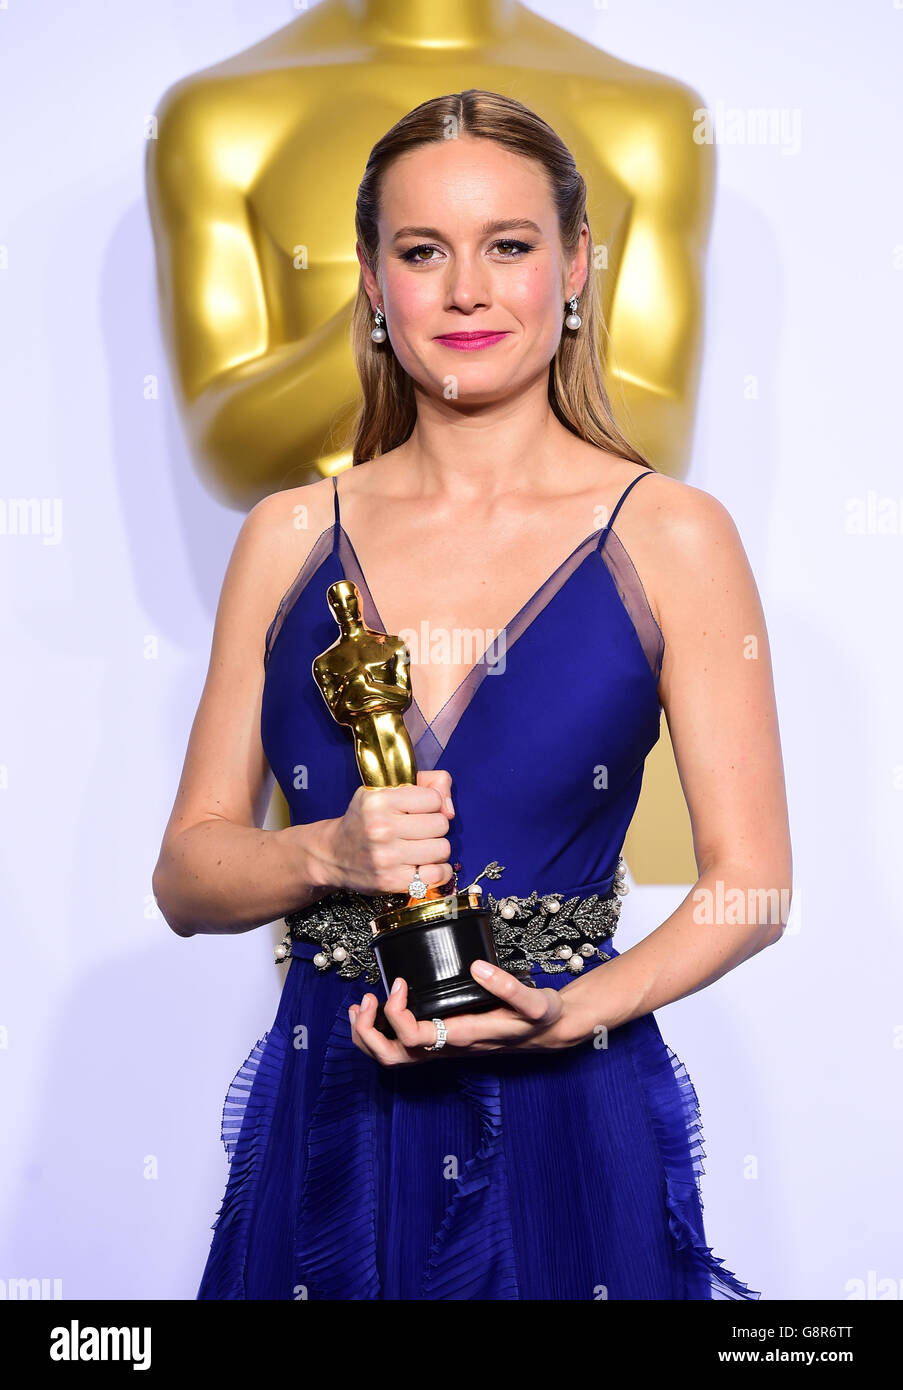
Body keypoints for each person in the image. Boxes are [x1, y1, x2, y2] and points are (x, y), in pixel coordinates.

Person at [153, 89, 791, 1300]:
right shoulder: (287, 535)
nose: (466, 290)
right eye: (421, 251)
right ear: (371, 280)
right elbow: (188, 873)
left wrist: (575, 1010)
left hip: (570, 1104)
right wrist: (325, 855)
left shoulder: (672, 534)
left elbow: (752, 885)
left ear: (576, 267)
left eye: (508, 245)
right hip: (332, 1104)